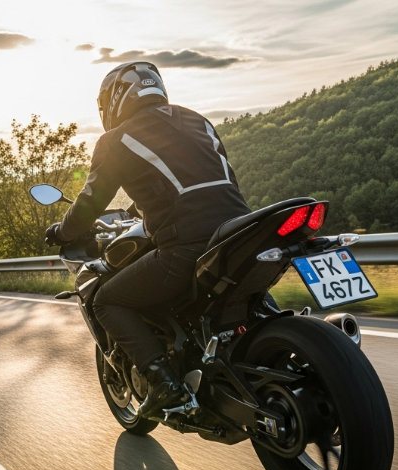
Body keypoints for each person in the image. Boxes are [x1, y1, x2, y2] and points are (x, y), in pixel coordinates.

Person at [44, 61, 251, 417]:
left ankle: (163, 383)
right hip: (240, 231)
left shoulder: (117, 139)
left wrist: (63, 231)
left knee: (106, 301)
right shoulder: (199, 120)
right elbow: (206, 182)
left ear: (114, 99)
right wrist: (146, 211)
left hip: (187, 245)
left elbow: (91, 201)